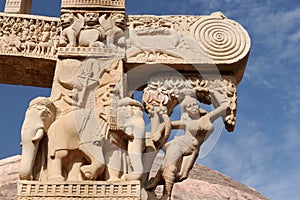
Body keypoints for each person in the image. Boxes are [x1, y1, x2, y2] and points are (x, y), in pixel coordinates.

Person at [146, 94, 228, 200]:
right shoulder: (186, 122)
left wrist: (212, 92)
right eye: (189, 106)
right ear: (186, 111)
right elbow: (167, 124)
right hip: (179, 144)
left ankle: (155, 182)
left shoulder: (208, 118)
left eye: (194, 104)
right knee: (171, 168)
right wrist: (159, 134)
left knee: (180, 175)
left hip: (193, 150)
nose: (193, 107)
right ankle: (167, 195)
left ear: (198, 106)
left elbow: (224, 107)